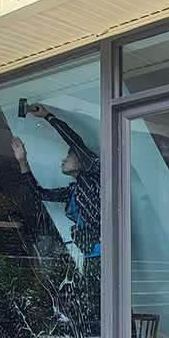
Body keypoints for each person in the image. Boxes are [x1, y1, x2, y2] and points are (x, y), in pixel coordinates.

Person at [11, 103, 100, 258]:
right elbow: (37, 194)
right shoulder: (72, 191)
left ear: (81, 161)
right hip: (90, 254)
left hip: (103, 251)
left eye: (69, 156)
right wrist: (23, 162)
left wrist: (47, 115)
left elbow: (74, 140)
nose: (63, 160)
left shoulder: (92, 178)